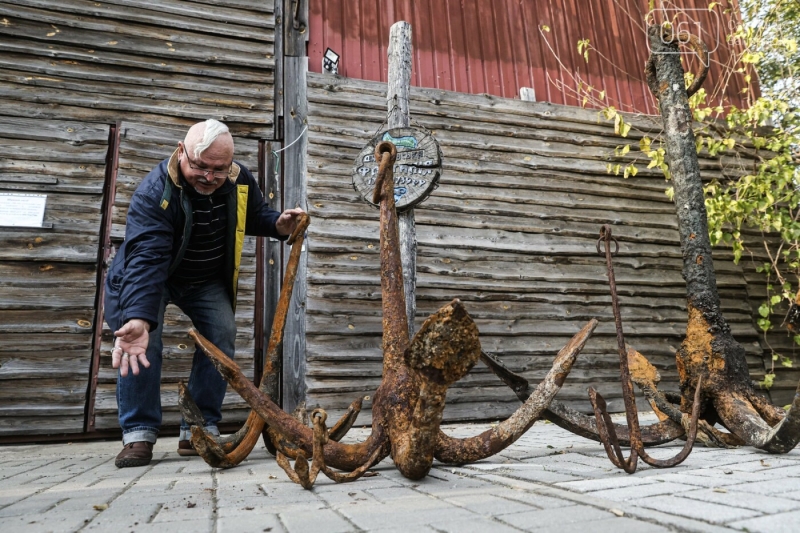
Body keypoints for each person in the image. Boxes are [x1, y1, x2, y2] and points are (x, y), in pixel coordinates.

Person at [104, 119, 304, 468]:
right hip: (155, 276)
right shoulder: (155, 193)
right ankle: (138, 432)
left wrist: (277, 224)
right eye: (200, 167)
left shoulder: (238, 178)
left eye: (218, 169)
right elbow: (147, 259)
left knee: (222, 334)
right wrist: (138, 315)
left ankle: (197, 428)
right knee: (140, 338)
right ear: (182, 152)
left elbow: (252, 213)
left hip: (205, 279)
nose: (210, 177)